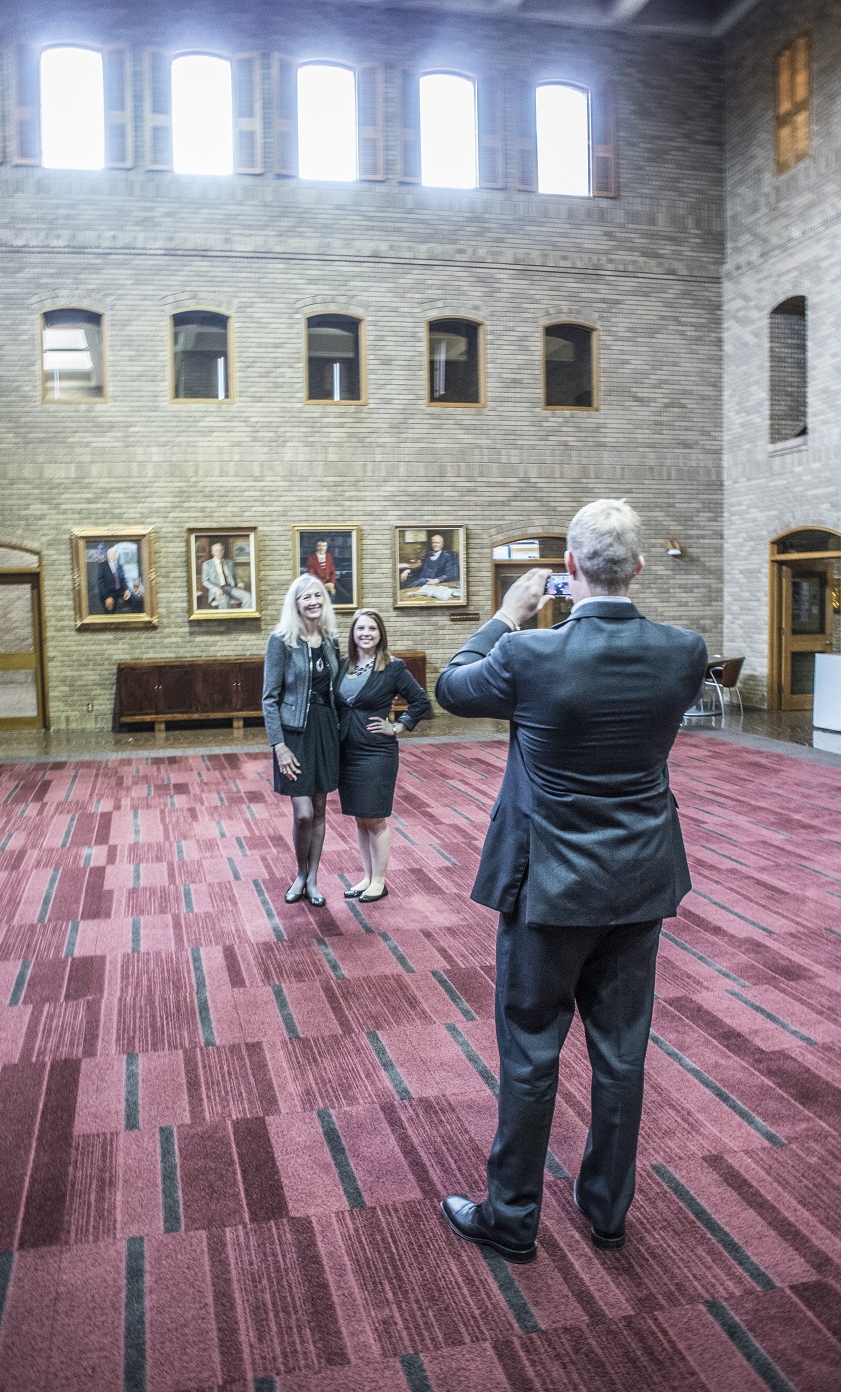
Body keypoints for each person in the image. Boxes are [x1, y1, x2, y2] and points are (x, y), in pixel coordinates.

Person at [436, 499, 708, 1264]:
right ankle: (607, 1211)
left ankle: (511, 1216)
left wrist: (505, 615)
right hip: (638, 884)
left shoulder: (529, 654)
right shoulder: (684, 652)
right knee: (621, 1057)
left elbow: (451, 687)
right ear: (640, 568)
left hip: (549, 889)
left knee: (531, 1052)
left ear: (568, 568)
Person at [334, 609, 432, 902]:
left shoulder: (393, 667)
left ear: (380, 634)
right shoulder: (342, 666)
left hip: (376, 751)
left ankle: (379, 881)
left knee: (375, 818)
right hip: (347, 751)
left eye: (372, 629)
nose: (366, 633)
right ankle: (366, 877)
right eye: (360, 628)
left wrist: (398, 726)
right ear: (353, 633)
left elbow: (421, 701)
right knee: (360, 818)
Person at [262, 575, 339, 907]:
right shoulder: (281, 640)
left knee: (320, 809)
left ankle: (313, 879)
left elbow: (339, 688)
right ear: (295, 603)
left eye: (317, 595)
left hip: (325, 730)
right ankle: (299, 873)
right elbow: (269, 698)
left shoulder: (330, 640)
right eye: (305, 597)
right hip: (294, 734)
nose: (313, 601)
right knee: (303, 813)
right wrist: (278, 746)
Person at [201, 541, 251, 609]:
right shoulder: (207, 564)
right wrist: (216, 589)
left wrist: (239, 582)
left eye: (221, 550)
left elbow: (235, 576)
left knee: (248, 597)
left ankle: (246, 615)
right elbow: (205, 581)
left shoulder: (230, 562)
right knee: (224, 600)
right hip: (218, 589)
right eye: (217, 550)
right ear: (212, 553)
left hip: (231, 588)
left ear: (223, 551)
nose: (219, 552)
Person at [96, 543, 143, 613]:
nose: (113, 555)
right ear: (108, 556)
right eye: (111, 554)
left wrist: (126, 589)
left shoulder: (120, 565)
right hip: (109, 592)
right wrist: (106, 597)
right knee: (110, 611)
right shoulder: (102, 566)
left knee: (137, 601)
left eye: (115, 554)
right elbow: (100, 583)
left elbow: (123, 579)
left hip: (120, 591)